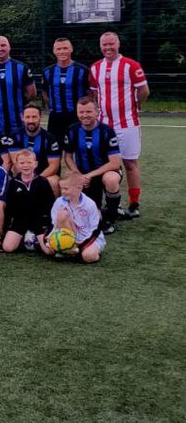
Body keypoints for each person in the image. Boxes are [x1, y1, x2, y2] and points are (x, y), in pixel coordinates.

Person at [90, 30, 149, 218]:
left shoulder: (131, 65)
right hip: (104, 125)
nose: (108, 47)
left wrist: (136, 105)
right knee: (105, 165)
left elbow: (144, 91)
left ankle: (134, 203)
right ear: (100, 46)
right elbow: (93, 95)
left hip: (127, 124)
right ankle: (110, 205)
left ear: (118, 44)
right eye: (104, 44)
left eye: (111, 44)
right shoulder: (95, 68)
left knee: (130, 163)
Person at [63, 96, 122, 230]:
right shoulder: (72, 130)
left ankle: (111, 217)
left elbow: (115, 163)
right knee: (90, 216)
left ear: (97, 112)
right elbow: (67, 157)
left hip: (105, 172)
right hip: (83, 175)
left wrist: (89, 175)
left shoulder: (107, 131)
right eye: (81, 112)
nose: (85, 115)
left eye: (88, 112)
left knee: (111, 179)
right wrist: (78, 174)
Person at [0, 36, 37, 138]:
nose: (0, 49)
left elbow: (31, 94)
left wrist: (19, 103)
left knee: (19, 152)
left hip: (19, 122)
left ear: (9, 47)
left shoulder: (22, 67)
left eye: (3, 45)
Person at [43, 172, 105, 263]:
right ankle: (69, 248)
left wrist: (81, 245)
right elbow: (53, 224)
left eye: (66, 188)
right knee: (62, 214)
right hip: (71, 236)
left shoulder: (90, 204)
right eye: (61, 188)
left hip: (88, 238)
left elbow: (95, 230)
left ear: (79, 188)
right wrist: (48, 239)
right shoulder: (59, 202)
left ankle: (78, 252)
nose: (62, 191)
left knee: (88, 256)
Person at [1, 149, 54, 254]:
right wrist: (5, 226)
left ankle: (36, 239)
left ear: (35, 164)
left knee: (49, 252)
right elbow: (9, 207)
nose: (26, 165)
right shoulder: (13, 183)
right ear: (16, 165)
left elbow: (51, 204)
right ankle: (22, 239)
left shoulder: (43, 182)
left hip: (39, 221)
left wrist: (49, 224)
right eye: (22, 163)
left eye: (29, 162)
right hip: (20, 221)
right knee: (7, 248)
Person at [1, 103, 61, 194]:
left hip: (42, 175)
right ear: (22, 117)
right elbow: (16, 163)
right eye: (27, 117)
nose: (31, 120)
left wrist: (37, 180)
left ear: (40, 117)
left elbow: (54, 166)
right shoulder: (14, 136)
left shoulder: (50, 138)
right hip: (21, 175)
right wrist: (27, 180)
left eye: (34, 117)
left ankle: (51, 208)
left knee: (54, 181)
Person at [42, 38, 91, 144]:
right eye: (58, 49)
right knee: (54, 151)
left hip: (76, 116)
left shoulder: (82, 70)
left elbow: (90, 93)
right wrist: (52, 105)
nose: (62, 51)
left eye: (65, 48)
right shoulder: (47, 72)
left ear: (71, 49)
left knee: (79, 148)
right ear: (54, 51)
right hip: (56, 117)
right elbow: (45, 92)